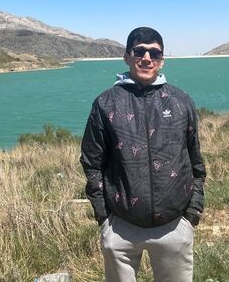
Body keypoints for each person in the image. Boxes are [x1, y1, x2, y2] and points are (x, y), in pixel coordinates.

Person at [80, 27, 206, 282]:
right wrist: (104, 217)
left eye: (154, 53)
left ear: (162, 60)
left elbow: (195, 159)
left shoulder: (181, 101)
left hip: (175, 224)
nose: (147, 58)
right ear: (127, 57)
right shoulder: (105, 103)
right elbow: (92, 162)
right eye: (139, 51)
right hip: (121, 226)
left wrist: (192, 212)